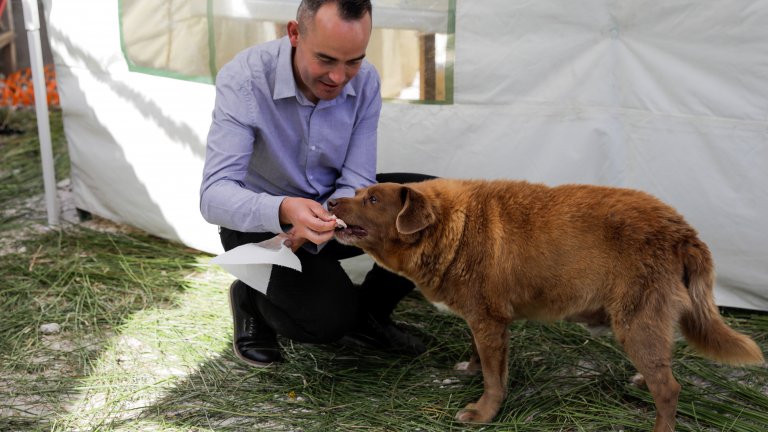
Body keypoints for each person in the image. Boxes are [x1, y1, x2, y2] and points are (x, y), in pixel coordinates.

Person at [200, 0, 432, 367]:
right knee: (325, 324)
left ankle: (369, 316)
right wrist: (285, 209)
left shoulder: (367, 79)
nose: (339, 78)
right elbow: (213, 196)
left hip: (331, 211)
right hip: (261, 229)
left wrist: (331, 213)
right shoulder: (243, 79)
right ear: (294, 34)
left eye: (353, 60)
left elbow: (357, 178)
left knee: (433, 204)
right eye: (325, 59)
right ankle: (250, 296)